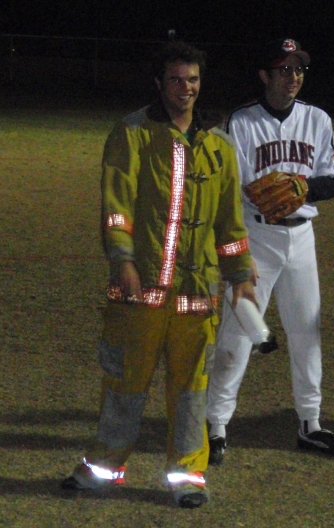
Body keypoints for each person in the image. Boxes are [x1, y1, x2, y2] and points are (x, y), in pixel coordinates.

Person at [60, 41, 256, 509]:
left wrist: (240, 274)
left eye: (192, 79)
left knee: (192, 391)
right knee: (126, 381)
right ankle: (104, 467)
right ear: (158, 83)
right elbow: (116, 206)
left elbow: (230, 221)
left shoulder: (219, 144)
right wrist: (123, 261)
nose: (184, 88)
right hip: (140, 289)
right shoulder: (132, 133)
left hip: (197, 295)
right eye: (175, 79)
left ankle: (188, 476)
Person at [206, 38, 334, 465]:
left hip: (302, 237)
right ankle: (215, 424)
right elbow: (228, 188)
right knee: (237, 332)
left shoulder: (317, 119)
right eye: (284, 69)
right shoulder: (242, 122)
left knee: (308, 330)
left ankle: (311, 422)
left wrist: (304, 187)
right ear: (265, 75)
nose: (293, 78)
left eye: (299, 69)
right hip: (257, 238)